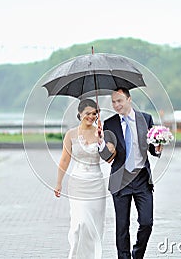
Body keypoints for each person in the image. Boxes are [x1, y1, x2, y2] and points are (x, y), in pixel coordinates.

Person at [98, 87, 162, 259]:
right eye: (113, 102)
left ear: (129, 99)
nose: (116, 105)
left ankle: (137, 253)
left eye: (119, 101)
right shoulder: (109, 124)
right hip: (121, 180)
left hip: (142, 179)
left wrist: (157, 148)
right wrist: (100, 143)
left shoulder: (145, 119)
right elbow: (107, 157)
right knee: (122, 226)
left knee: (147, 223)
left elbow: (152, 148)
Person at [54, 99, 115, 259]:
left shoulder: (101, 133)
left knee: (93, 225)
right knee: (79, 223)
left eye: (94, 113)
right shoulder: (71, 135)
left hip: (96, 184)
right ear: (80, 114)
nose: (91, 116)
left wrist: (104, 141)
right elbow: (64, 160)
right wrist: (59, 183)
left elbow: (109, 158)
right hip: (77, 184)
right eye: (88, 113)